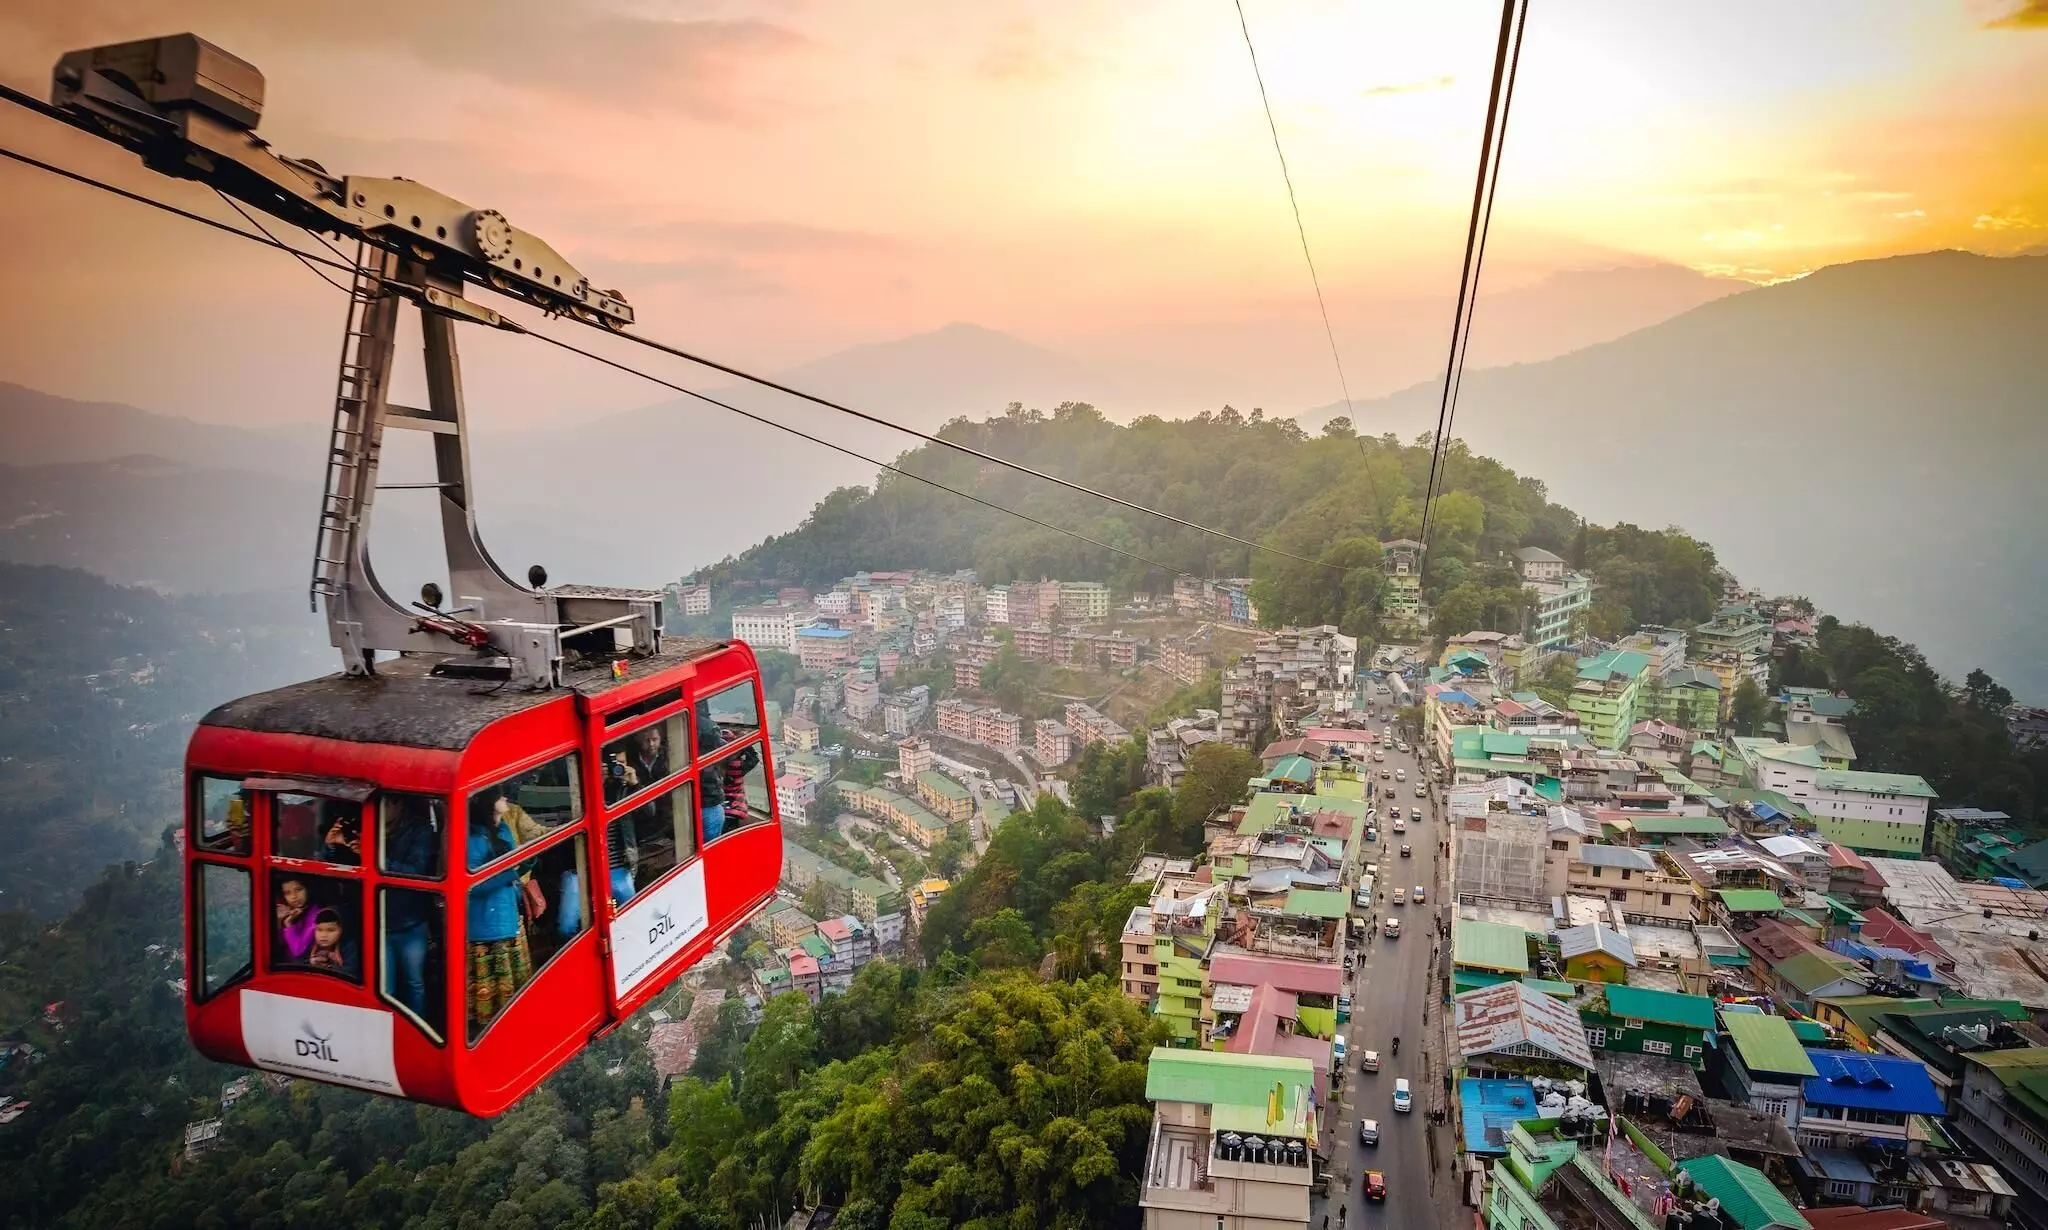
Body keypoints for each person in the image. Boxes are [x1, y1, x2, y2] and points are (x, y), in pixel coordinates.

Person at [467, 803, 532, 1032]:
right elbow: (473, 886)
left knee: (515, 990)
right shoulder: (471, 837)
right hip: (486, 925)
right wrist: (512, 872)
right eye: (498, 794)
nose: (505, 797)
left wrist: (526, 864)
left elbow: (511, 872)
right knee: (492, 995)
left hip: (509, 914)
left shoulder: (503, 828)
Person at [382, 798, 442, 1020]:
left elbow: (415, 871)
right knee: (385, 988)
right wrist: (332, 845)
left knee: (414, 983)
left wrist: (376, 857)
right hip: (378, 921)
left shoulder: (420, 830)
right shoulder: (366, 826)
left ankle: (418, 1028)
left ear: (400, 805)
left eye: (387, 803)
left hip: (410, 921)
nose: (381, 809)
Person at [306, 908, 359, 978]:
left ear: (341, 930)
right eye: (319, 930)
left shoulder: (348, 947)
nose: (323, 935)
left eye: (330, 930)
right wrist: (311, 963)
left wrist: (330, 967)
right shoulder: (310, 945)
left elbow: (352, 971)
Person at [274, 876, 317, 962]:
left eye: (299, 890)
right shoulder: (289, 912)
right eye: (287, 893)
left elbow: (298, 951)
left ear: (308, 889)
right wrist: (279, 921)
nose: (294, 896)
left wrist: (288, 924)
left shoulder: (316, 913)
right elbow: (278, 946)